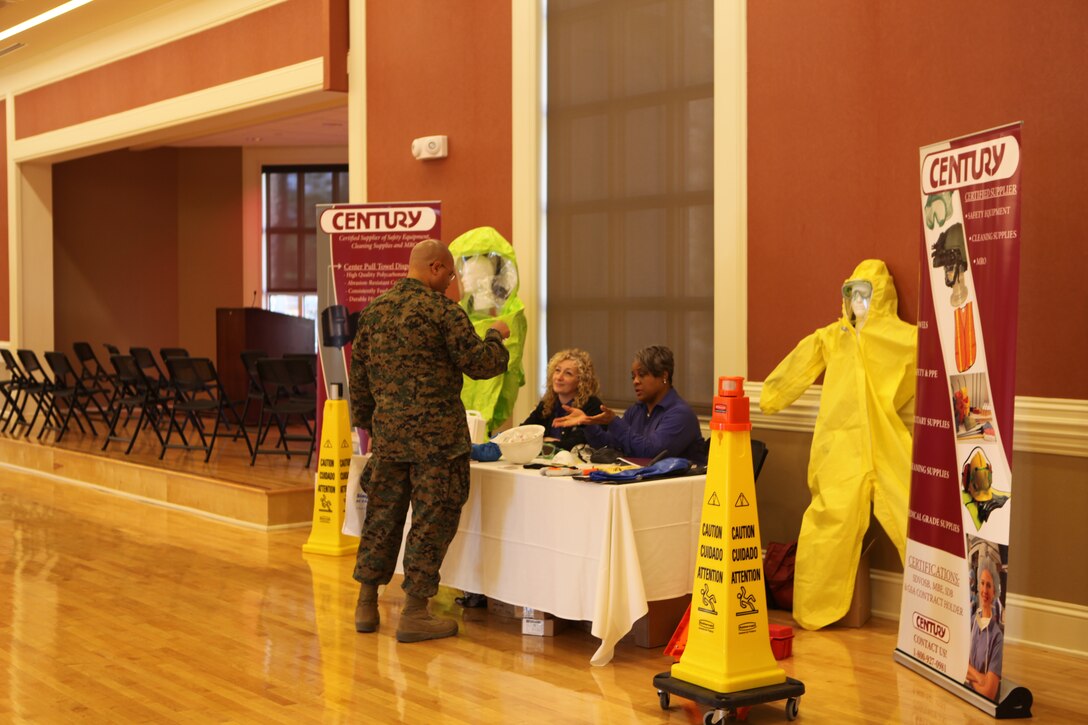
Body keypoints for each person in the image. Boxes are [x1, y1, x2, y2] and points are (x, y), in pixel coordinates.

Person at [349, 239, 510, 643]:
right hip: (437, 445)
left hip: (388, 441)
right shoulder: (442, 312)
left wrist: (372, 428)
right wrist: (495, 335)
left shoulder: (373, 313)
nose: (453, 282)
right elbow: (481, 364)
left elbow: (360, 381)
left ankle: (366, 605)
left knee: (381, 521)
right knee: (429, 523)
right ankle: (415, 613)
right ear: (436, 267)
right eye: (452, 274)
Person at [759, 259, 916, 630]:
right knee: (828, 520)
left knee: (914, 513)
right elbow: (798, 364)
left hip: (886, 439)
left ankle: (943, 604)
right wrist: (770, 397)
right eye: (852, 294)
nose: (858, 303)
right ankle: (813, 608)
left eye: (866, 295)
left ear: (881, 298)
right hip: (839, 444)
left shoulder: (903, 336)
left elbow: (940, 358)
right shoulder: (833, 337)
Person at [554, 345, 704, 463]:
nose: (635, 381)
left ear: (664, 376)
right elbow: (609, 445)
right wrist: (587, 423)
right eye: (633, 376)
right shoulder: (637, 410)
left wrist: (614, 422)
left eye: (642, 375)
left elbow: (651, 454)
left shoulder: (680, 414)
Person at [522, 348, 604, 451]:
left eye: (568, 373)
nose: (559, 377)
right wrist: (548, 442)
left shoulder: (592, 406)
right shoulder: (548, 402)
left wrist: (545, 442)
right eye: (557, 370)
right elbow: (523, 432)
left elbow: (574, 444)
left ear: (581, 380)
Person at [967, 556, 1004, 700]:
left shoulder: (997, 637)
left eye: (989, 585)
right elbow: (958, 665)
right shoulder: (972, 623)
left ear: (995, 591)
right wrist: (980, 678)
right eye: (982, 583)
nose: (984, 590)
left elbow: (989, 693)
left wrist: (969, 677)